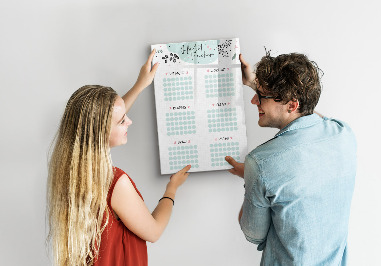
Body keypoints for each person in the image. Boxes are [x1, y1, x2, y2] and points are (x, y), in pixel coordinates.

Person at [46, 50, 191, 266]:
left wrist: (140, 84)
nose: (130, 122)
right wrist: (172, 189)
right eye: (122, 121)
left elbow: (105, 118)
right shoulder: (115, 183)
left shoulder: (69, 170)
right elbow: (153, 231)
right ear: (100, 132)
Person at [225, 52, 357, 265]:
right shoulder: (343, 134)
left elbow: (253, 234)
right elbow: (311, 115)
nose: (253, 100)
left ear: (292, 105)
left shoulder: (260, 162)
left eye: (261, 96)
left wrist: (252, 177)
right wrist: (254, 83)